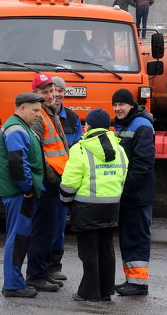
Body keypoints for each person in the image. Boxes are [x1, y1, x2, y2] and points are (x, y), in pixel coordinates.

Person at [60, 108, 128, 302]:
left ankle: (88, 292)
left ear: (87, 126)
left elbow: (70, 182)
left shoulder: (80, 148)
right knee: (107, 250)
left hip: (86, 208)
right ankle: (106, 291)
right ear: (108, 127)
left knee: (88, 252)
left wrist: (65, 201)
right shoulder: (120, 148)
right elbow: (123, 176)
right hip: (111, 206)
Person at [0, 92, 44, 298]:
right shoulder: (16, 129)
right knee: (17, 237)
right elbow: (18, 163)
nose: (38, 115)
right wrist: (27, 190)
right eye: (35, 111)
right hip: (19, 193)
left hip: (19, 192)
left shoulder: (21, 126)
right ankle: (13, 284)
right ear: (22, 108)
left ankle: (15, 281)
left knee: (20, 236)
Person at [26, 72, 69, 292]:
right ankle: (36, 276)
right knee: (41, 230)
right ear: (35, 94)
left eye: (52, 91)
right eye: (45, 92)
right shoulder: (39, 116)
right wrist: (49, 177)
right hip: (47, 181)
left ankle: (42, 272)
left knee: (48, 228)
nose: (51, 95)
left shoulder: (49, 113)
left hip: (54, 180)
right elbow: (36, 152)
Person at [112, 88, 155, 297]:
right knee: (128, 237)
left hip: (136, 195)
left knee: (136, 238)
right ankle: (132, 280)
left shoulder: (141, 126)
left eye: (121, 104)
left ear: (131, 105)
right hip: (130, 194)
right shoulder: (125, 124)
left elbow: (142, 163)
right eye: (115, 104)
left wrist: (125, 188)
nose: (117, 108)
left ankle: (138, 284)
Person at [49, 76, 83, 279]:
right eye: (54, 90)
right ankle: (40, 266)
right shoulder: (41, 116)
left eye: (61, 90)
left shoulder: (72, 118)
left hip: (64, 181)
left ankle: (55, 266)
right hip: (46, 180)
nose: (58, 94)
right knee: (43, 224)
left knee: (59, 225)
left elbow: (78, 148)